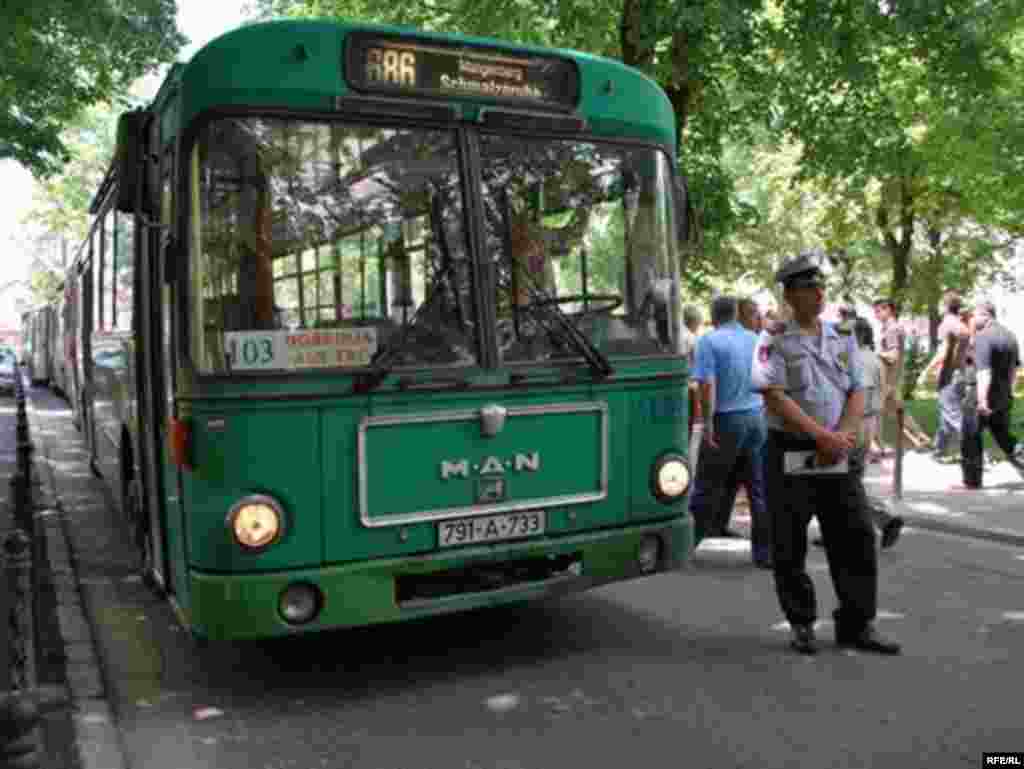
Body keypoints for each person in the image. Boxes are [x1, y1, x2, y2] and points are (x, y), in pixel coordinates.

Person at [752, 249, 900, 655]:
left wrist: (842, 437)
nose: (818, 294)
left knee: (855, 537)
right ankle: (802, 623)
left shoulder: (843, 336)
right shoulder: (772, 339)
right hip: (791, 449)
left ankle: (857, 623)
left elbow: (857, 389)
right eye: (808, 288)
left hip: (836, 450)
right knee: (789, 542)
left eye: (820, 287)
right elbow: (774, 395)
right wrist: (821, 436)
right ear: (790, 295)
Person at [689, 296, 772, 568]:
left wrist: (708, 423)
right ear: (736, 314)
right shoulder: (755, 339)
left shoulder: (709, 341)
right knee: (758, 488)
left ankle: (686, 545)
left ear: (713, 316)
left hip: (727, 419)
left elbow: (707, 385)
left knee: (707, 485)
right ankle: (765, 553)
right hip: (756, 417)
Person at [961, 300, 1024, 486]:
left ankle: (972, 480)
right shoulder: (1010, 336)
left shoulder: (984, 337)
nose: (972, 320)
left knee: (970, 435)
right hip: (1003, 395)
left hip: (983, 395)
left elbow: (984, 372)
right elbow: (1014, 370)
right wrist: (1009, 392)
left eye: (974, 316)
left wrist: (982, 402)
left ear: (985, 315)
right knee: (1003, 436)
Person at [872, 298, 931, 452]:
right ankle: (920, 437)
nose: (875, 315)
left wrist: (874, 354)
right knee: (897, 410)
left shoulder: (892, 329)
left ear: (888, 310)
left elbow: (893, 355)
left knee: (874, 410)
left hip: (888, 378)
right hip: (892, 378)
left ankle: (877, 447)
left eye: (878, 311)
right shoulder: (891, 328)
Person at [920, 291, 970, 459]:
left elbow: (942, 352)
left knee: (953, 414)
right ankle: (939, 450)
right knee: (946, 411)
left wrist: (926, 371)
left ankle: (975, 452)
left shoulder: (947, 324)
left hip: (949, 375)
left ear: (946, 306)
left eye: (941, 304)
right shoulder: (961, 324)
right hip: (961, 374)